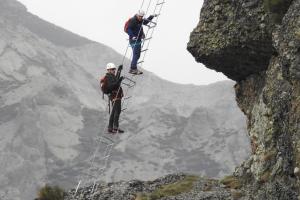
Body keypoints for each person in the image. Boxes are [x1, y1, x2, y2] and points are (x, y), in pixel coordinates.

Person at [126, 10, 157, 75]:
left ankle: (133, 68)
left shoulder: (139, 20)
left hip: (138, 40)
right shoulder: (133, 20)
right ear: (137, 15)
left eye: (142, 16)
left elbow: (145, 22)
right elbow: (128, 29)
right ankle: (133, 69)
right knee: (136, 54)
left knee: (137, 55)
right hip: (134, 40)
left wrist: (151, 16)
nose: (141, 17)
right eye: (140, 16)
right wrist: (132, 36)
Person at [104, 63, 124, 134]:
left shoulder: (111, 76)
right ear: (108, 70)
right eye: (112, 69)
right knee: (117, 110)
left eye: (114, 69)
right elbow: (112, 86)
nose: (114, 70)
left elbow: (116, 80)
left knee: (114, 111)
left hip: (114, 95)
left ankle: (110, 127)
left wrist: (119, 70)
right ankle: (115, 126)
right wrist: (119, 81)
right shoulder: (108, 77)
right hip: (115, 95)